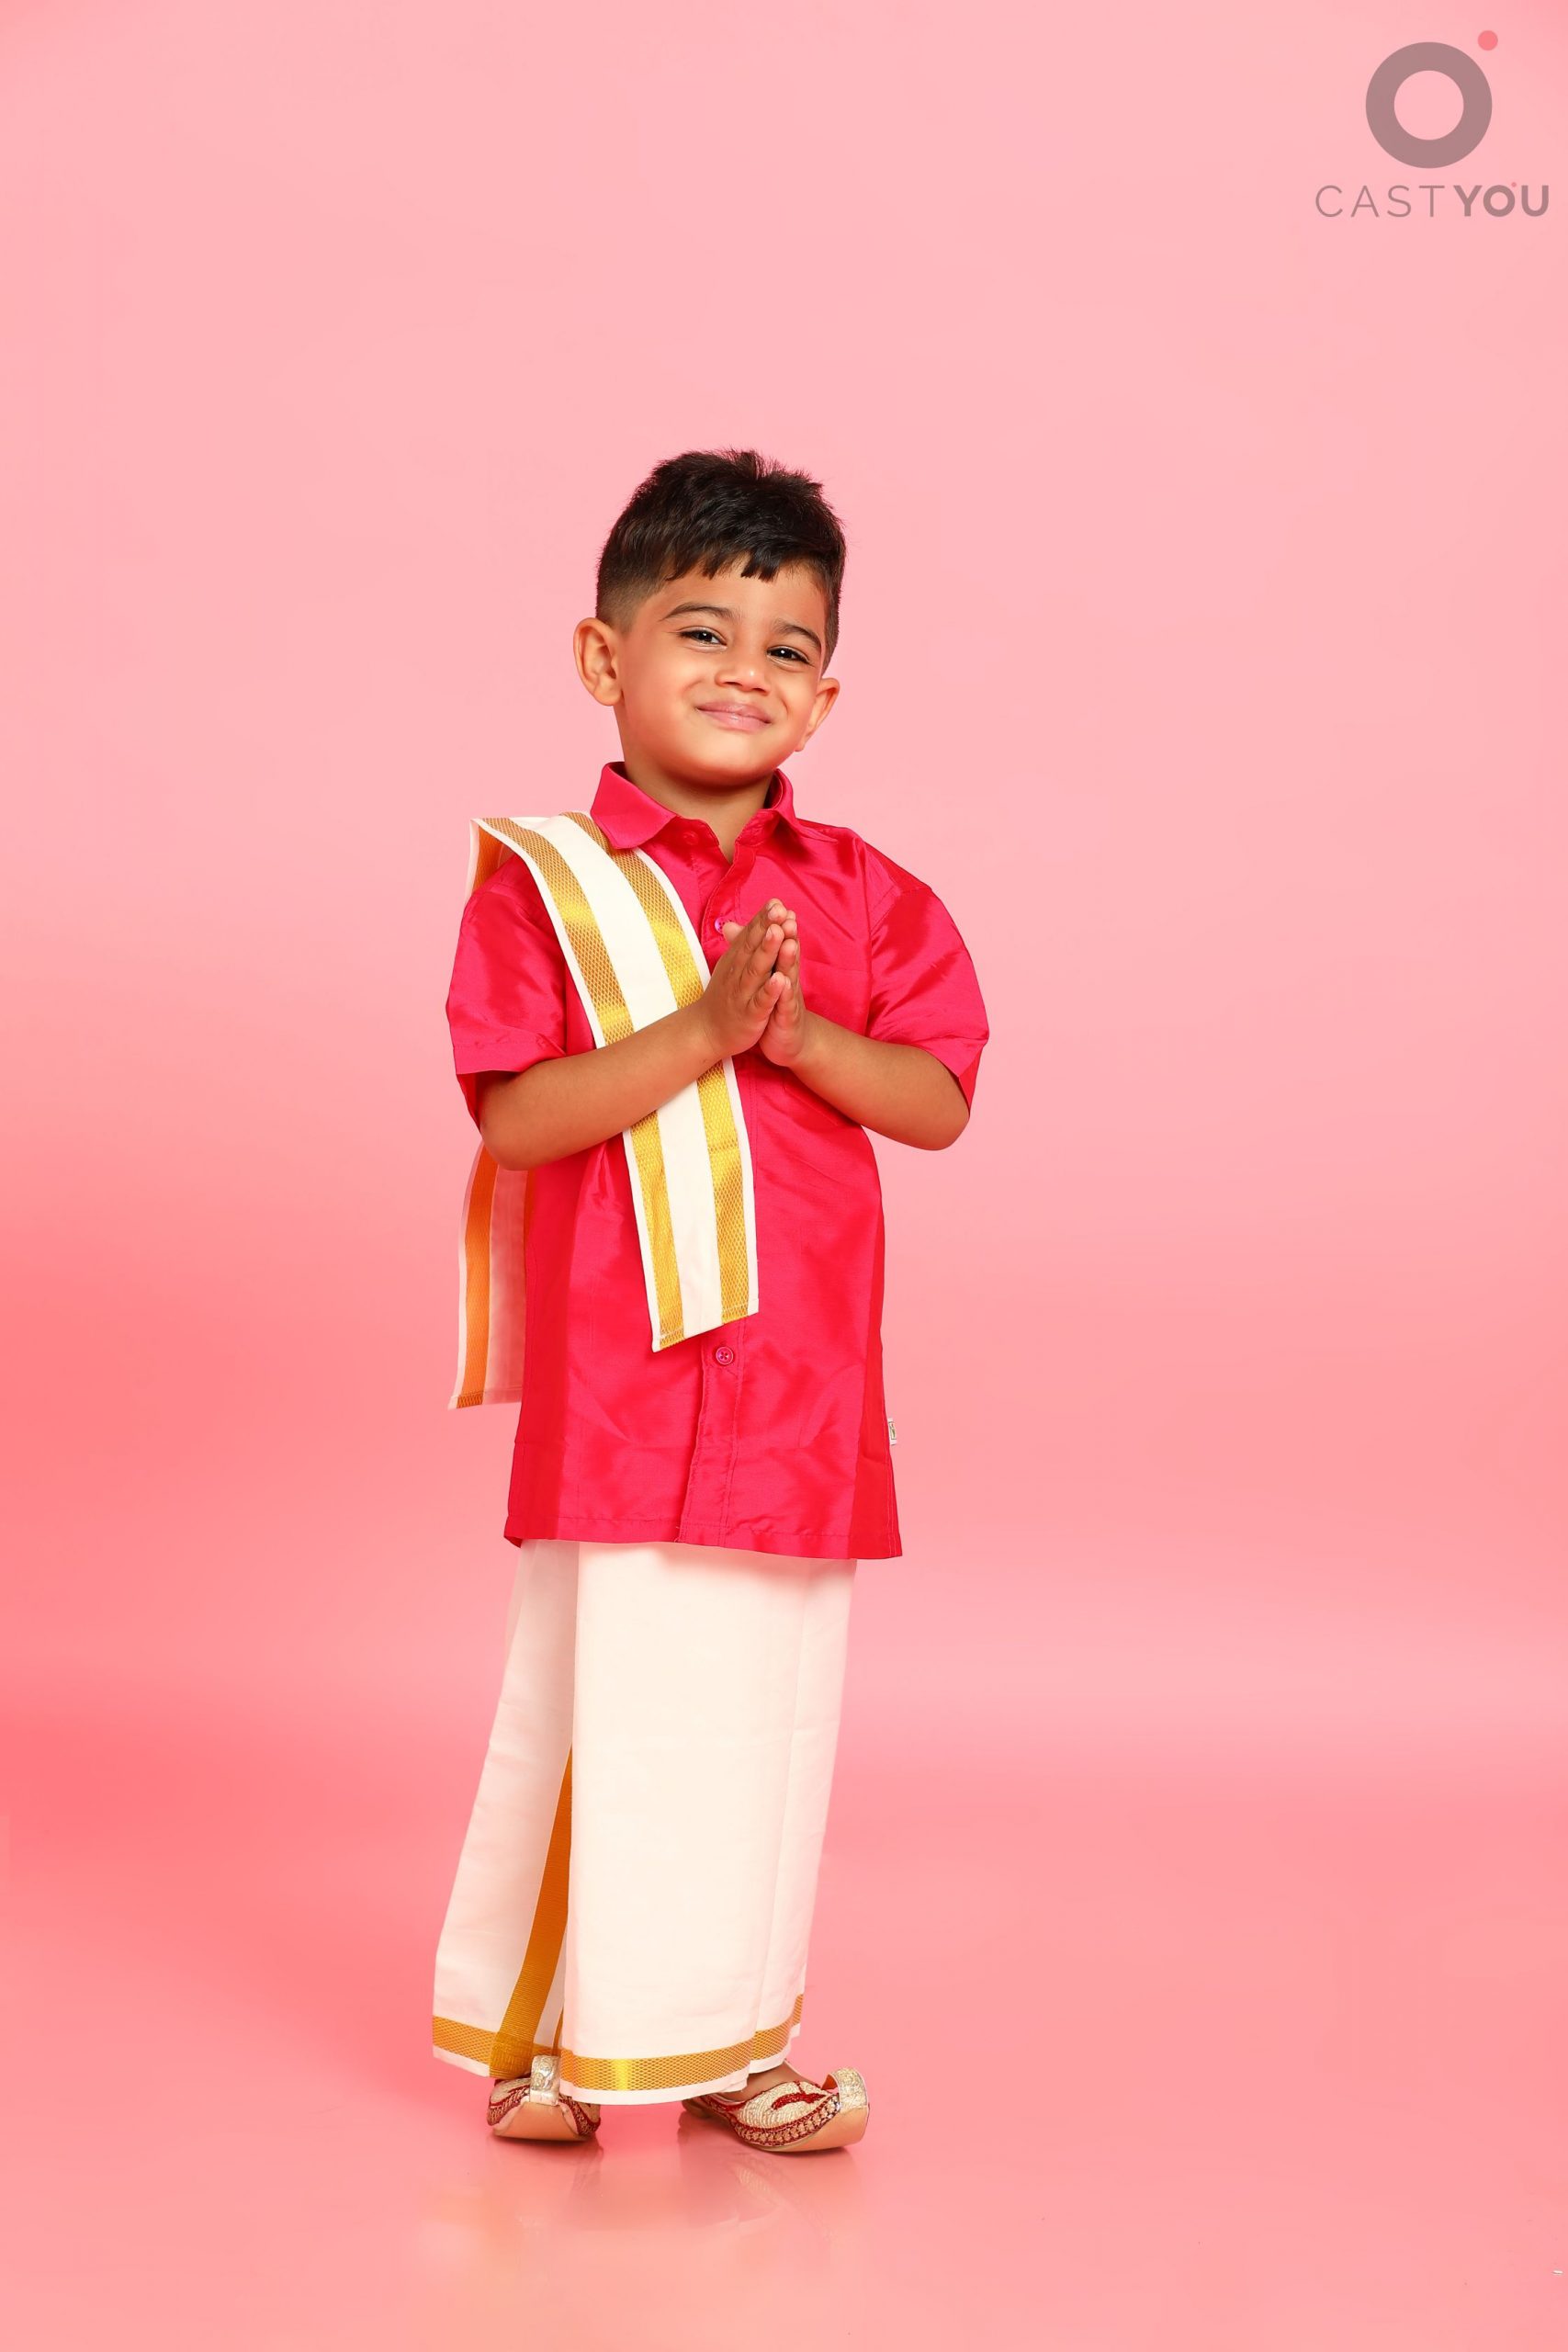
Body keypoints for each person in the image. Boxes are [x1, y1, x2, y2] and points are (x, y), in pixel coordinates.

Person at [431, 447, 988, 2154]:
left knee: (766, 1724)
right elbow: (520, 1117)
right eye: (702, 630)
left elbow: (938, 1099)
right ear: (604, 657)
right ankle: (554, 2042)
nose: (747, 669)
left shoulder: (869, 894)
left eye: (788, 646)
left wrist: (800, 1037)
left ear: (827, 694)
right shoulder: (543, 883)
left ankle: (742, 2041)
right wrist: (697, 1034)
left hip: (798, 1389)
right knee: (606, 1709)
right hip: (625, 1385)